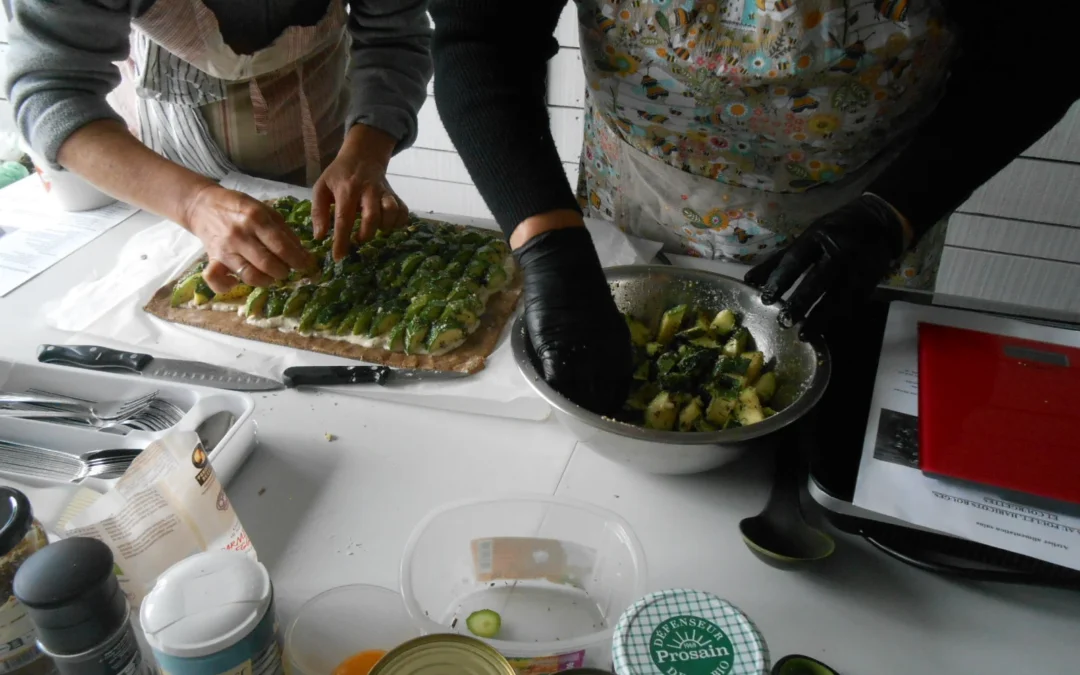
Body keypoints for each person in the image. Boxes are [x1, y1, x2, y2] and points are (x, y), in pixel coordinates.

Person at [428, 0, 1078, 412]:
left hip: (872, 217)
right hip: (638, 197)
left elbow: (1042, 53)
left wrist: (895, 214)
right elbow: (481, 37)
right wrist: (549, 248)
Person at [4, 0, 431, 294]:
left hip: (321, 136)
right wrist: (193, 205)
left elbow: (392, 39)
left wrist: (367, 150)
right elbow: (50, 90)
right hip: (158, 176)